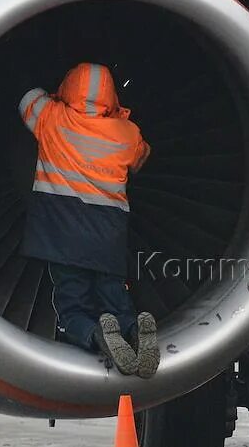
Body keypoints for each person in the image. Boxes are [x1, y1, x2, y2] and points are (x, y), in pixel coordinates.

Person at [18, 62, 159, 378]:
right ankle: (133, 326)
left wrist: (55, 96)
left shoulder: (52, 119)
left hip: (62, 234)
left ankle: (95, 335)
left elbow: (27, 98)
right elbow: (142, 158)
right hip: (108, 235)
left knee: (73, 304)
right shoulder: (127, 135)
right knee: (113, 294)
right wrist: (119, 118)